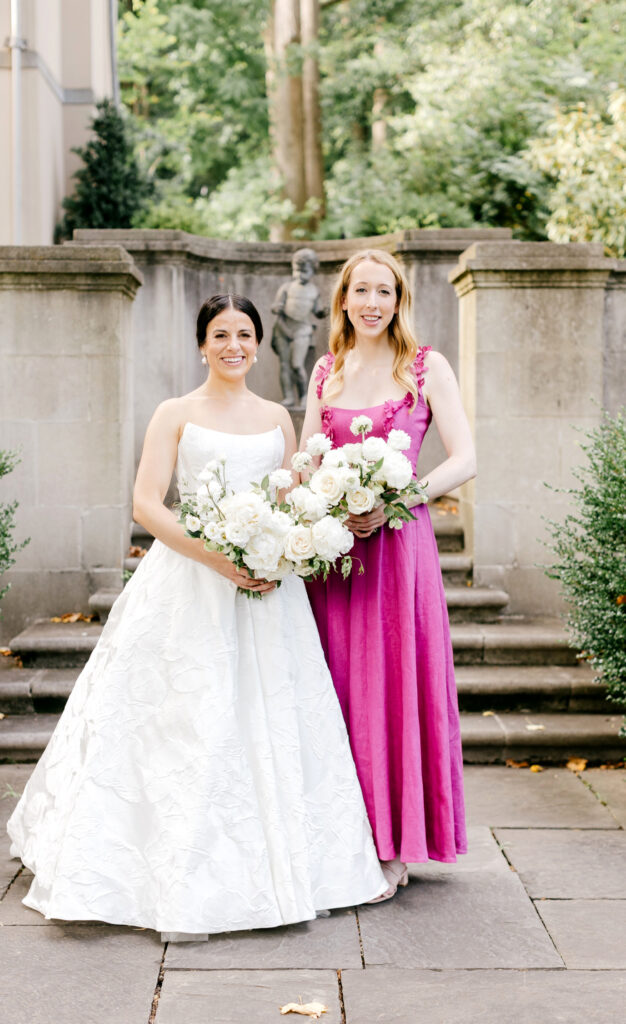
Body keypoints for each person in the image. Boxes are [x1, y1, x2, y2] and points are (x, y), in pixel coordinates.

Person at [7, 293, 386, 940]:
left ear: (259, 344)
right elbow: (148, 505)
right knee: (184, 719)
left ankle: (286, 867)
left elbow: (289, 494)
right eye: (220, 334)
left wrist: (300, 529)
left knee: (272, 717)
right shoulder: (175, 412)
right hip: (190, 578)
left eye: (244, 333)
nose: (233, 345)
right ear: (201, 344)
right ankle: (167, 874)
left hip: (268, 588)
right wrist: (216, 558)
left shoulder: (276, 416)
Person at [300, 250, 476, 901]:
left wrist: (396, 501)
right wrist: (312, 502)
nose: (373, 302)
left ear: (399, 299)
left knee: (392, 685)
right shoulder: (327, 370)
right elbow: (306, 453)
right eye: (361, 290)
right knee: (339, 686)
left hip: (400, 549)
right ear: (343, 299)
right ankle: (336, 834)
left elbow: (466, 457)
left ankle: (391, 847)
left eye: (385, 291)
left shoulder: (426, 367)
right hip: (336, 554)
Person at [271, 248, 327, 407]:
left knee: (297, 365)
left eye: (305, 271)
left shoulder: (314, 291)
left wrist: (324, 311)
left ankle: (304, 396)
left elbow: (318, 311)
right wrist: (277, 308)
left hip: (302, 330)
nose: (300, 274)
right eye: (297, 270)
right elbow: (277, 305)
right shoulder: (286, 287)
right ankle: (288, 396)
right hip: (283, 327)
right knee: (284, 365)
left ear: (313, 270)